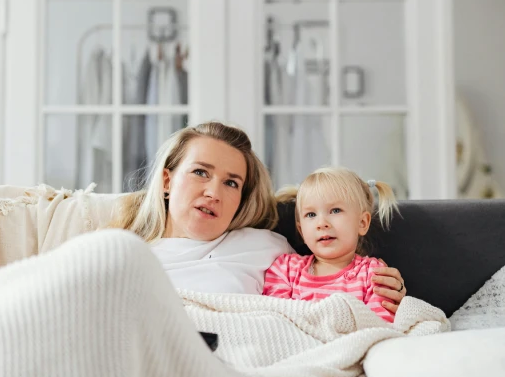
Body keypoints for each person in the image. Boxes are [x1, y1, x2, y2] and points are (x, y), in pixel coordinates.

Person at [110, 121, 406, 310]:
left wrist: (387, 291)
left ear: (240, 199)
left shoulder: (266, 247)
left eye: (231, 183)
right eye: (200, 172)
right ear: (166, 181)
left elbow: (325, 282)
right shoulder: (122, 253)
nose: (214, 192)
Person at [262, 166, 401, 322]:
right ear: (301, 231)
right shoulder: (285, 270)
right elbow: (273, 321)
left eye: (335, 210)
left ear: (362, 223)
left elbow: (380, 326)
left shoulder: (374, 275)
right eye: (311, 214)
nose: (321, 223)